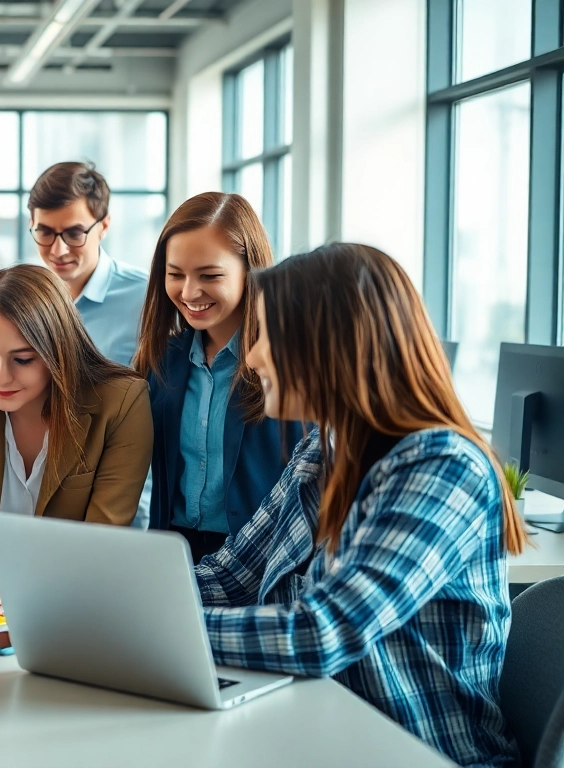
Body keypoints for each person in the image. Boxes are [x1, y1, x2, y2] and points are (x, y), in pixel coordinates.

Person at [198, 243, 527, 767]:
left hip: (419, 752)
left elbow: (324, 632)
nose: (253, 356)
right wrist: (108, 599)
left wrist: (149, 632)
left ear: (332, 346)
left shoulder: (442, 467)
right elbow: (231, 575)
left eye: (268, 337)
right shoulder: (321, 451)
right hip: (319, 731)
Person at [0, 264, 153, 616]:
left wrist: (26, 590)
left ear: (58, 350)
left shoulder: (122, 402)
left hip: (72, 611)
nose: (0, 377)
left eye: (22, 359)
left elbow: (101, 540)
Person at [131, 192, 304, 563]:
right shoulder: (160, 359)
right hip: (174, 553)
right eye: (175, 274)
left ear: (251, 272)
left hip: (263, 560)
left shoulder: (286, 366)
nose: (189, 292)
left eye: (209, 275)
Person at [28, 161, 148, 365]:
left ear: (104, 226)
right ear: (32, 224)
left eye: (74, 234)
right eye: (45, 232)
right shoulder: (25, 298)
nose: (58, 250)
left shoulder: (146, 297)